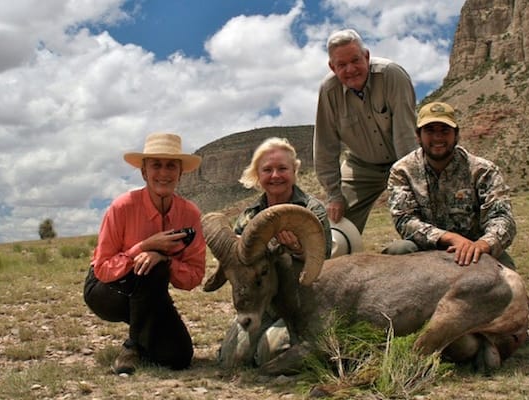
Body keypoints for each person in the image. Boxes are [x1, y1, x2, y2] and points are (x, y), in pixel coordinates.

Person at [83, 132, 206, 374]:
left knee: (180, 357)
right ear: (144, 172)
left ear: (180, 173)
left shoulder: (190, 213)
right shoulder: (122, 206)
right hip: (107, 290)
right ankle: (133, 346)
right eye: (156, 165)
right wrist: (144, 246)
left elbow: (194, 276)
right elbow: (103, 268)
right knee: (152, 265)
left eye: (171, 165)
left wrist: (166, 260)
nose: (164, 173)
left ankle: (142, 341)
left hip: (151, 292)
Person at [218, 137, 333, 367]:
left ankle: (309, 345)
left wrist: (299, 250)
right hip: (263, 301)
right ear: (258, 176)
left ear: (294, 171)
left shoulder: (311, 210)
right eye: (267, 170)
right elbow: (238, 263)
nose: (275, 175)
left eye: (282, 168)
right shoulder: (249, 217)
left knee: (267, 355)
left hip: (301, 300)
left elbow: (325, 259)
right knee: (231, 359)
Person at [383, 102, 517, 268]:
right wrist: (450, 238)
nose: (438, 137)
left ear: (456, 135)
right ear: (418, 136)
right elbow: (404, 220)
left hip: (474, 251)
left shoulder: (483, 170)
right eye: (430, 130)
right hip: (425, 250)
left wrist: (483, 245)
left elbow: (502, 218)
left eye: (445, 130)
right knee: (399, 250)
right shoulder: (402, 171)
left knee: (507, 272)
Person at [314, 28, 417, 234]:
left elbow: (405, 136)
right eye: (342, 65)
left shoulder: (391, 75)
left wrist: (413, 183)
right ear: (332, 67)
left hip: (403, 160)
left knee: (419, 215)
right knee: (335, 228)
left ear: (367, 56)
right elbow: (325, 146)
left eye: (355, 60)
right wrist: (334, 195)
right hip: (361, 165)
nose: (350, 69)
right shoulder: (328, 91)